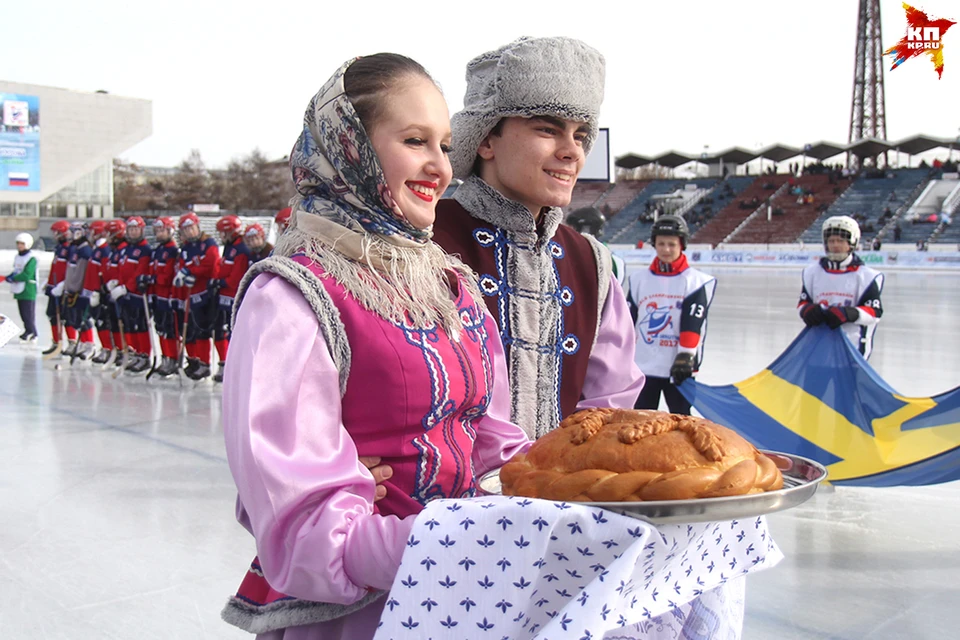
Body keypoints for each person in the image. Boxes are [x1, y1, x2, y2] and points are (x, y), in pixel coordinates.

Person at [220, 53, 530, 639]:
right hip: (354, 616)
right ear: (349, 149)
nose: (439, 166)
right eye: (415, 140)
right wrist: (466, 537)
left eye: (444, 144)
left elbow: (493, 445)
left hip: (468, 596)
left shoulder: (451, 286)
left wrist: (572, 487)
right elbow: (306, 530)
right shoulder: (293, 297)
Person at [432, 36, 643, 438]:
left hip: (561, 498)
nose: (572, 152)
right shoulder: (418, 243)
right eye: (548, 130)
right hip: (435, 501)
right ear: (485, 139)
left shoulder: (592, 266)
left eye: (581, 136)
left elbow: (611, 407)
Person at [625, 215, 716, 415]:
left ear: (682, 245)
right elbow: (627, 322)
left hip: (678, 369)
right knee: (640, 421)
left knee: (682, 421)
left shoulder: (697, 281)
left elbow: (693, 322)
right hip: (643, 367)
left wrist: (685, 356)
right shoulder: (638, 279)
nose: (666, 249)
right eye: (661, 244)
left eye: (672, 244)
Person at [798, 215, 884, 359]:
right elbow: (803, 303)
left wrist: (849, 313)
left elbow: (874, 313)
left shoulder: (868, 277)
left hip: (852, 351)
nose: (835, 245)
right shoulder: (811, 272)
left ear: (852, 243)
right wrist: (807, 311)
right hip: (818, 349)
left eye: (841, 240)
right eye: (831, 241)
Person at [173, 212, 221, 381]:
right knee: (198, 330)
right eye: (185, 229)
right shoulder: (185, 248)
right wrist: (183, 275)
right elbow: (183, 265)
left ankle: (222, 364)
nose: (189, 232)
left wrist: (192, 271)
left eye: (191, 228)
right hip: (193, 294)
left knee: (214, 330)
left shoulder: (208, 243)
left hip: (209, 293)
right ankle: (203, 363)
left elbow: (211, 264)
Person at [209, 214, 251, 382]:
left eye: (223, 233)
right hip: (224, 297)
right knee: (221, 331)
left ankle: (236, 365)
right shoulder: (229, 246)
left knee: (233, 332)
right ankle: (224, 362)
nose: (221, 236)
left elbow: (236, 278)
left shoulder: (241, 248)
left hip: (233, 298)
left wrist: (219, 282)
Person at [109, 216, 152, 373]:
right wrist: (117, 283)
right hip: (124, 293)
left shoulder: (145, 250)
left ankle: (144, 355)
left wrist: (127, 287)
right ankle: (134, 351)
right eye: (131, 230)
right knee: (129, 326)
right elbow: (122, 269)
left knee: (139, 326)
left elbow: (140, 271)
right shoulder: (125, 248)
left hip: (137, 295)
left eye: (136, 230)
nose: (133, 233)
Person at [146, 216, 181, 377]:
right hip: (157, 296)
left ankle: (173, 359)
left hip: (167, 297)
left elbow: (166, 276)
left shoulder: (173, 251)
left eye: (162, 230)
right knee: (160, 329)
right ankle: (166, 357)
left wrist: (152, 279)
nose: (159, 234)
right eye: (157, 231)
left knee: (169, 330)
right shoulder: (158, 250)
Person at [81, 220, 116, 364]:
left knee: (103, 321)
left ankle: (108, 348)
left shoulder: (104, 249)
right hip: (92, 291)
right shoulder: (97, 248)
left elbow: (105, 272)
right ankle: (104, 347)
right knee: (97, 321)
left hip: (100, 292)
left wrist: (100, 290)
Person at [61, 222, 97, 360]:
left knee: (84, 318)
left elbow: (83, 273)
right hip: (73, 288)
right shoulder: (75, 249)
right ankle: (82, 342)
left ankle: (89, 344)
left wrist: (78, 288)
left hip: (81, 290)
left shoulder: (85, 250)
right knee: (75, 318)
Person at [42, 220, 73, 355]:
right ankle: (56, 342)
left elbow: (71, 270)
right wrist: (48, 283)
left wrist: (64, 284)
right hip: (54, 287)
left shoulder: (69, 249)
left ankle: (72, 341)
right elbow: (55, 268)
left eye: (57, 233)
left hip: (63, 288)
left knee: (66, 316)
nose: (55, 236)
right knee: (52, 315)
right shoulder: (59, 249)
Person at [6, 232, 39, 342]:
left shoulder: (31, 258)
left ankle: (34, 332)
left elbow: (27, 274)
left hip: (28, 289)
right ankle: (27, 330)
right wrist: (11, 276)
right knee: (22, 313)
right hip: (19, 289)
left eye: (22, 244)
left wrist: (14, 278)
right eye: (18, 243)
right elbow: (17, 270)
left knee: (28, 313)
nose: (19, 246)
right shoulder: (17, 257)